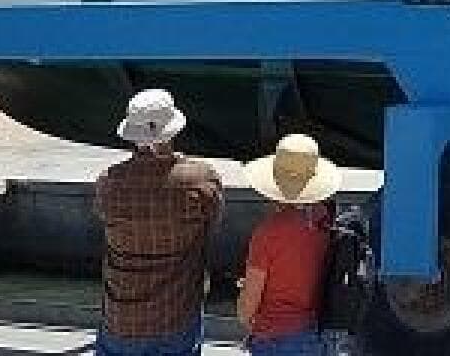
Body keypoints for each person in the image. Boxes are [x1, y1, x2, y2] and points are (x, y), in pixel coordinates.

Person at [94, 89, 224, 356]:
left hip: (121, 319)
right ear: (172, 131)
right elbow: (213, 222)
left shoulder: (109, 182)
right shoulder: (200, 178)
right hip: (175, 316)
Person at [237, 134, 349, 356]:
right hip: (316, 334)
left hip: (276, 341)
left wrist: (245, 300)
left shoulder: (268, 233)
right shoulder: (325, 221)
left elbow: (247, 309)